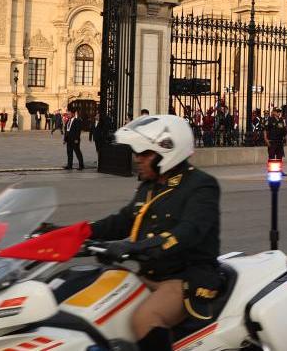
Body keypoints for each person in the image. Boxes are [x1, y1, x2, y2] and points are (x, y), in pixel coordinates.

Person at [88, 115, 221, 350]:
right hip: (152, 274)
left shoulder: (201, 185)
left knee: (144, 319)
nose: (137, 159)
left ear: (167, 152)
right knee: (95, 301)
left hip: (185, 278)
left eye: (144, 153)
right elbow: (122, 222)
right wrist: (76, 232)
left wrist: (131, 247)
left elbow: (187, 233)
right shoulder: (150, 186)